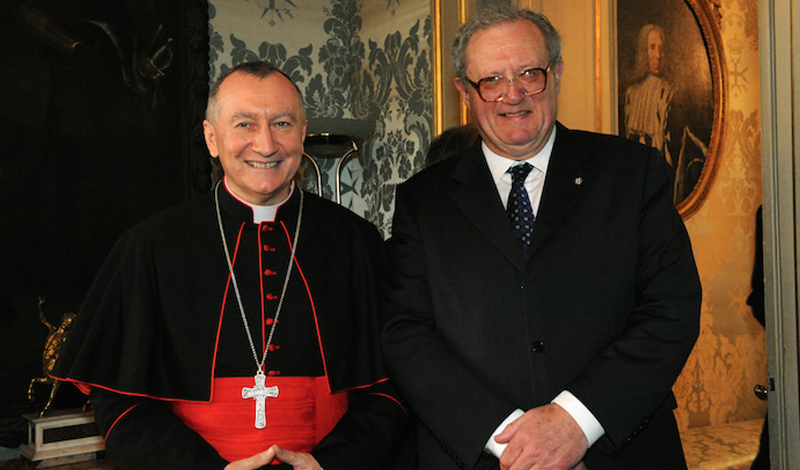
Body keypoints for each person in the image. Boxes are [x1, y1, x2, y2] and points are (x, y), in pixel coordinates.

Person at [382, 6, 701, 470]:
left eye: (529, 73)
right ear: (464, 93)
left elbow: (670, 310)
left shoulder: (632, 172)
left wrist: (575, 422)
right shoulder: (422, 201)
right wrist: (512, 441)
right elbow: (406, 334)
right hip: (481, 455)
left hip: (620, 450)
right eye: (491, 80)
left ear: (556, 75)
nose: (512, 95)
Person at [52, 61, 407, 470]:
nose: (266, 144)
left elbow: (392, 387)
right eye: (244, 125)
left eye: (282, 123)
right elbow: (119, 401)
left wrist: (331, 464)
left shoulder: (354, 241)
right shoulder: (151, 246)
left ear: (303, 133)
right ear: (211, 138)